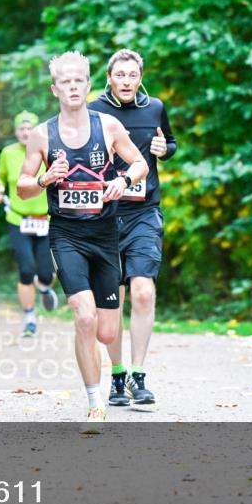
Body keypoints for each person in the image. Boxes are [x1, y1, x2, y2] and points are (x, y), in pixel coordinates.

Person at [17, 52, 148, 432]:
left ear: (88, 85)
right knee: (85, 317)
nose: (72, 87)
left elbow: (139, 164)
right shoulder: (43, 134)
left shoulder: (108, 126)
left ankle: (99, 360)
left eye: (79, 81)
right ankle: (95, 402)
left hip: (105, 235)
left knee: (106, 331)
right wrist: (45, 179)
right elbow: (23, 187)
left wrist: (123, 181)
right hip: (66, 235)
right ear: (54, 88)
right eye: (65, 82)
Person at [88, 48, 177, 408]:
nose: (126, 81)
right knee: (114, 300)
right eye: (119, 75)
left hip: (143, 211)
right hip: (104, 215)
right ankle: (117, 375)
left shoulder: (154, 107)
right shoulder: (94, 110)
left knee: (142, 291)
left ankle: (140, 377)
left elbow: (168, 142)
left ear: (140, 78)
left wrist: (164, 148)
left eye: (132, 75)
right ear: (109, 77)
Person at [0, 111, 59, 337]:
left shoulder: (46, 151)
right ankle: (30, 319)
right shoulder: (8, 153)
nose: (25, 132)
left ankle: (44, 287)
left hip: (45, 220)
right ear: (15, 131)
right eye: (21, 128)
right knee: (26, 269)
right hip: (17, 219)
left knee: (46, 273)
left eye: (29, 128)